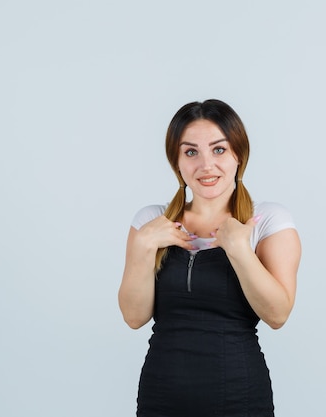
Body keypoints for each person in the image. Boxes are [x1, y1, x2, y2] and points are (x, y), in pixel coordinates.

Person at [118, 99, 301, 417]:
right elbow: (134, 317)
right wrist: (144, 246)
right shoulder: (151, 222)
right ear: (176, 161)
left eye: (219, 149)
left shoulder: (268, 221)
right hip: (160, 398)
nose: (206, 165)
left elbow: (277, 315)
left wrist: (240, 250)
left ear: (238, 155)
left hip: (239, 398)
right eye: (191, 152)